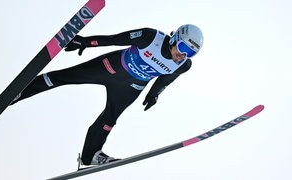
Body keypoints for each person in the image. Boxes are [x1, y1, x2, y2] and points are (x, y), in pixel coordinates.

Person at [10, 24, 204, 166]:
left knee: (109, 119)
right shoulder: (149, 37)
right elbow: (115, 39)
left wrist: (154, 94)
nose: (183, 55)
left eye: (190, 53)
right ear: (174, 39)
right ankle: (20, 92)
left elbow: (165, 79)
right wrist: (86, 42)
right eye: (183, 48)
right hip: (110, 68)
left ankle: (90, 156)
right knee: (65, 77)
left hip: (132, 87)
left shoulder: (183, 65)